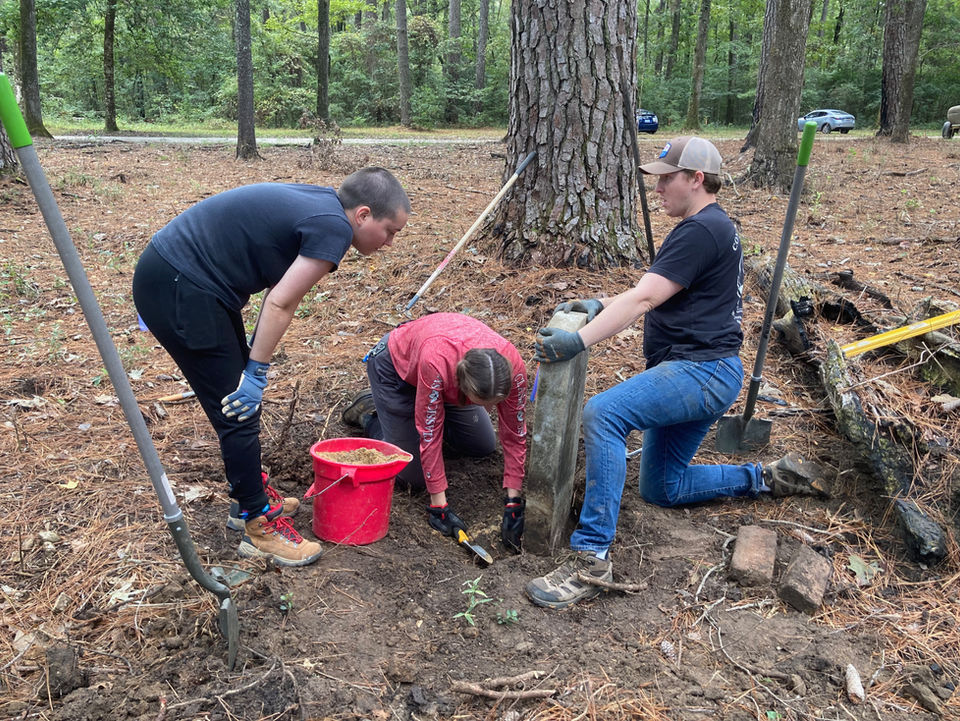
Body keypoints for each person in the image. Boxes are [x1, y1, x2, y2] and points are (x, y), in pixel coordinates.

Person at [525, 137, 827, 609]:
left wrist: (577, 340)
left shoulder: (700, 230)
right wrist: (601, 304)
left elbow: (644, 299)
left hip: (699, 372)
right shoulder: (711, 226)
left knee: (603, 414)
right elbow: (659, 290)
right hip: (710, 371)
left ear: (696, 179)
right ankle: (765, 479)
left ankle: (591, 557)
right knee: (663, 488)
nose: (659, 187)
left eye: (668, 178)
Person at [133, 169, 410, 567]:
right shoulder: (334, 228)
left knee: (236, 399)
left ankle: (247, 496)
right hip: (182, 284)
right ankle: (257, 524)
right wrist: (256, 373)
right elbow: (281, 302)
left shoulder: (326, 207)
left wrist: (250, 370)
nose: (390, 243)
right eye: (390, 231)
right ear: (363, 214)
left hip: (183, 277)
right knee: (239, 406)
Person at [341, 313, 528, 552]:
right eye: (484, 403)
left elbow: (515, 434)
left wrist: (513, 501)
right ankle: (369, 413)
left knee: (482, 445)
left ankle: (435, 410)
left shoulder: (513, 369)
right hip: (397, 373)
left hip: (446, 380)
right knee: (412, 476)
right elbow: (429, 434)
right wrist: (439, 507)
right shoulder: (435, 363)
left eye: (495, 402)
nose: (491, 410)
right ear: (464, 387)